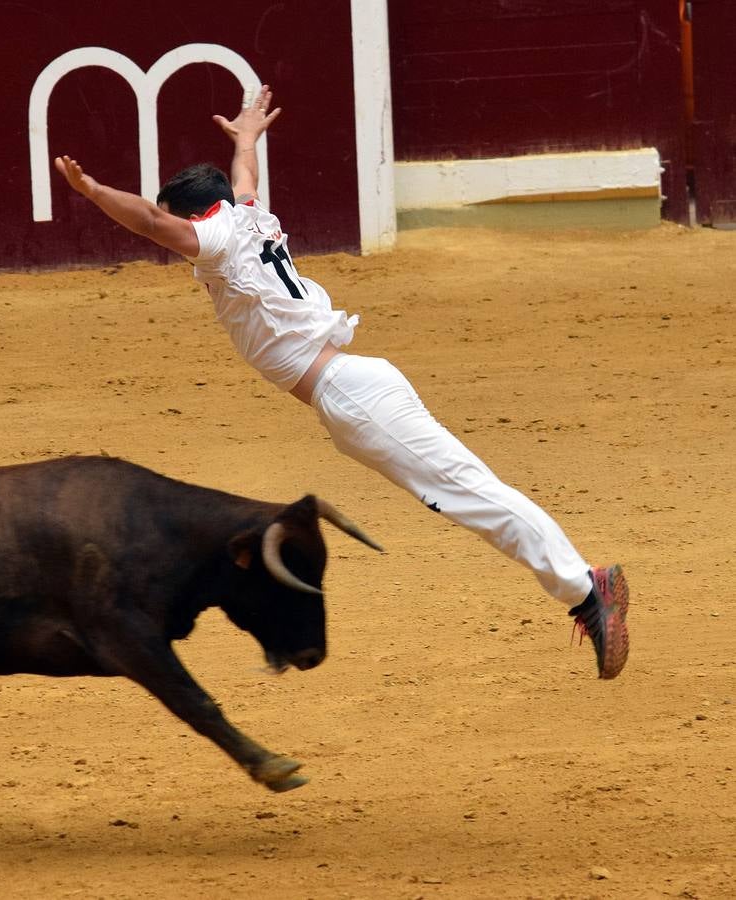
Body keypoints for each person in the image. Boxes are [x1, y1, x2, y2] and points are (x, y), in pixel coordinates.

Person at [53, 85, 629, 679]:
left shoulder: (219, 238)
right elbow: (242, 176)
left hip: (352, 394)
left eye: (180, 222)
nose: (177, 240)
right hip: (352, 389)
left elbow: (149, 221)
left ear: (198, 215)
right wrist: (247, 138)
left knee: (469, 492)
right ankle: (583, 587)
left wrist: (91, 190)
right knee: (462, 492)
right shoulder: (246, 215)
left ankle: (588, 588)